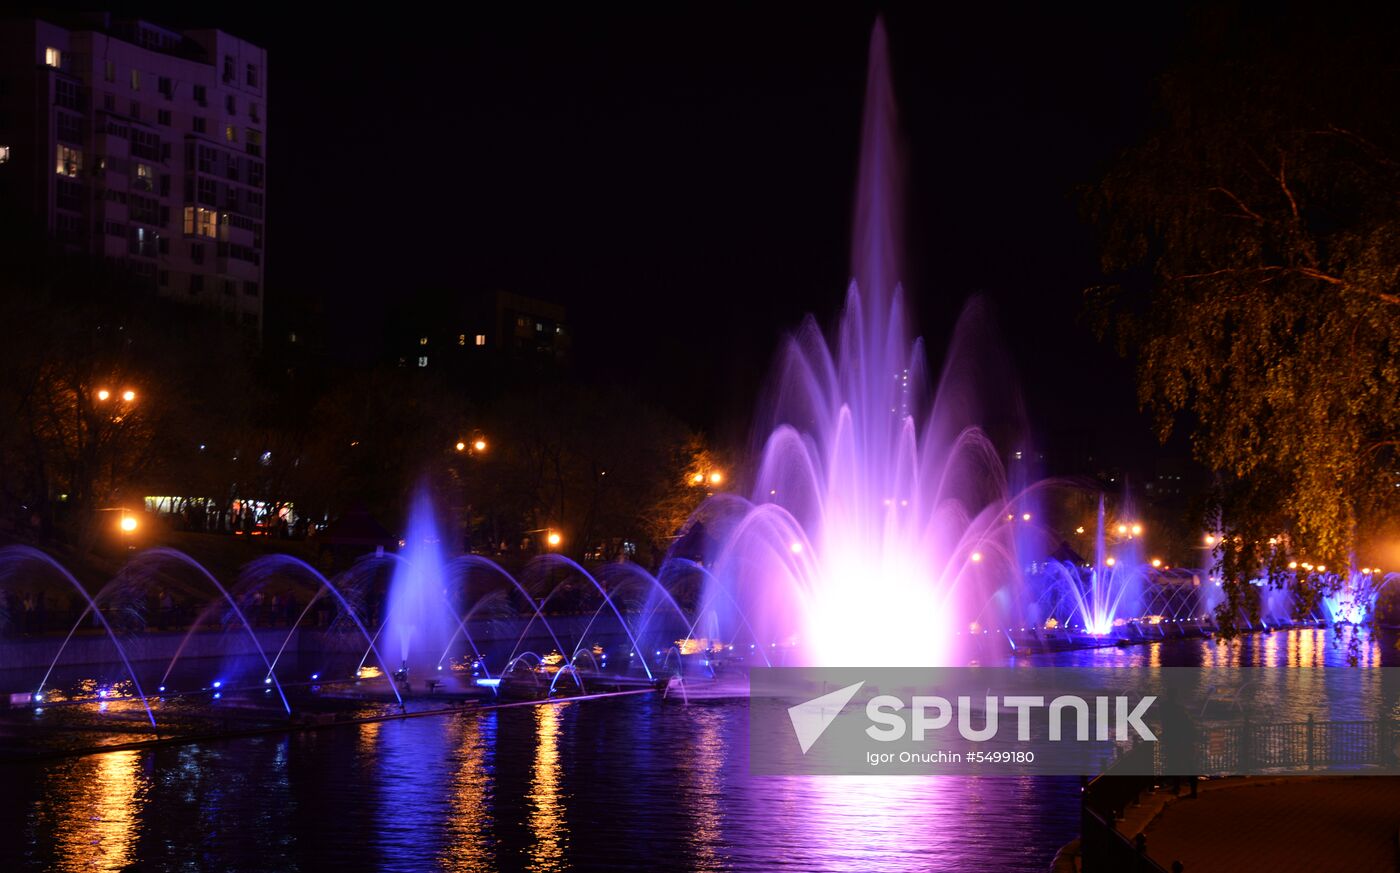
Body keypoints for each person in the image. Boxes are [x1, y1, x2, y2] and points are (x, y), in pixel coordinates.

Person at [1160, 685, 1199, 797]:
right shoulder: (1180, 709)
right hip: (1185, 740)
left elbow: (1165, 723)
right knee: (1190, 765)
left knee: (1174, 763)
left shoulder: (1163, 707)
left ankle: (1176, 787)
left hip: (1173, 740)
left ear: (1167, 695)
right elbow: (1189, 723)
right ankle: (1193, 791)